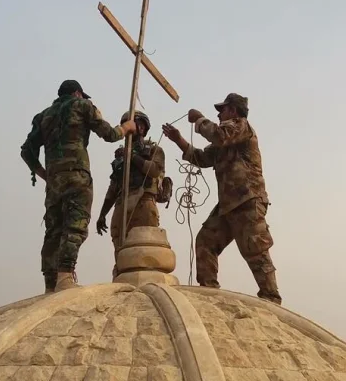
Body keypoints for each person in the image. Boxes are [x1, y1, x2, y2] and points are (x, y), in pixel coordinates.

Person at [162, 93, 281, 304]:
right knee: (206, 241)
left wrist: (199, 119)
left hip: (247, 201)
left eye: (222, 110)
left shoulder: (240, 126)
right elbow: (202, 158)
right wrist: (179, 140)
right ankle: (210, 293)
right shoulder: (224, 138)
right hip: (227, 206)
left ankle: (271, 299)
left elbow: (217, 135)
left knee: (255, 250)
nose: (219, 114)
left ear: (233, 111)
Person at [20, 80, 136, 293]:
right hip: (77, 175)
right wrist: (127, 127)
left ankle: (50, 283)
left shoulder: (43, 116)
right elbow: (110, 135)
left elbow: (27, 150)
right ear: (77, 93)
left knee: (53, 230)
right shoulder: (82, 106)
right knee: (75, 224)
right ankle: (65, 276)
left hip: (54, 181)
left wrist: (44, 174)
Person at [96, 111, 165, 277]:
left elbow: (154, 171)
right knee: (121, 252)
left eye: (136, 124)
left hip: (143, 201)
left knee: (145, 248)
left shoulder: (153, 149)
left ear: (143, 128)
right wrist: (102, 214)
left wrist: (131, 156)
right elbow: (114, 187)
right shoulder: (120, 156)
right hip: (121, 203)